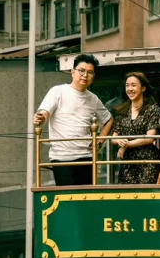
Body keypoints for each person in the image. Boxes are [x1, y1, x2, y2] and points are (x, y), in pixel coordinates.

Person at [34, 53, 113, 187]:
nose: (85, 75)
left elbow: (109, 119)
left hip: (86, 158)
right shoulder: (58, 91)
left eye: (90, 72)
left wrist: (99, 142)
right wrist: (40, 117)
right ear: (73, 72)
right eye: (81, 71)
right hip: (62, 158)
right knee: (67, 199)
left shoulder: (93, 98)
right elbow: (44, 112)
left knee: (87, 200)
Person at [109, 72, 160, 185]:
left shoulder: (152, 109)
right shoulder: (122, 110)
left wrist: (126, 145)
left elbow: (150, 138)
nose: (130, 89)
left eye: (133, 85)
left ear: (143, 88)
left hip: (148, 160)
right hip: (128, 162)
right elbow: (113, 138)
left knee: (147, 196)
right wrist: (119, 141)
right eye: (127, 85)